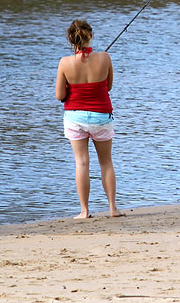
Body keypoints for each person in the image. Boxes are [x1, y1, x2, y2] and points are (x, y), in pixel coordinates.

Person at [55, 19, 125, 219]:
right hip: (101, 116)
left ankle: (84, 211)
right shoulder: (105, 58)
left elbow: (59, 95)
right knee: (106, 163)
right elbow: (108, 86)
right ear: (90, 36)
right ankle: (113, 209)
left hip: (74, 117)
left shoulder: (64, 63)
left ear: (71, 40)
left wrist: (71, 87)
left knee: (82, 163)